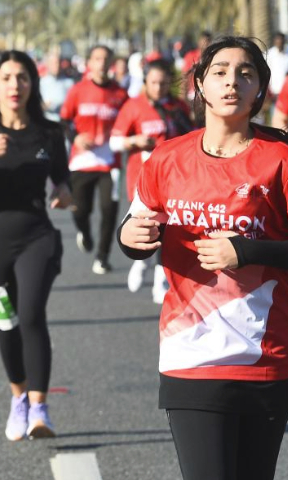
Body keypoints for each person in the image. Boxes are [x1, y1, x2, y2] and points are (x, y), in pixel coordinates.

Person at [118, 36, 288, 480]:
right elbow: (134, 227)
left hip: (266, 355)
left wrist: (247, 250)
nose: (232, 82)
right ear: (199, 84)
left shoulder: (284, 162)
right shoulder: (166, 158)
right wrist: (131, 236)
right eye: (219, 72)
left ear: (261, 89)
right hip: (190, 353)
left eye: (246, 73)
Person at [0, 50, 71, 441]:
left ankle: (40, 409)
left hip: (36, 237)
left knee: (32, 314)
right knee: (7, 323)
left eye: (22, 77)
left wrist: (64, 193)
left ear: (32, 84)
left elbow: (63, 179)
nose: (15, 85)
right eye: (6, 77)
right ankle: (18, 399)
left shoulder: (50, 132)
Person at [109, 59, 193, 303]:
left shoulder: (178, 107)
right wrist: (134, 141)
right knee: (147, 225)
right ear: (145, 81)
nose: (159, 88)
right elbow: (115, 141)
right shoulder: (133, 106)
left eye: (164, 83)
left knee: (167, 229)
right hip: (141, 179)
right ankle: (140, 265)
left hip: (175, 179)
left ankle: (160, 279)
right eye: (154, 83)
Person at [60, 45, 128, 274]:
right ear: (89, 62)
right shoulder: (78, 90)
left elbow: (129, 122)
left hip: (110, 162)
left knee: (110, 209)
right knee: (80, 210)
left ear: (112, 64)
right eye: (97, 58)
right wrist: (76, 137)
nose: (101, 63)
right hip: (81, 160)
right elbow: (63, 122)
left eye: (106, 59)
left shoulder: (120, 94)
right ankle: (85, 232)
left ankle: (102, 256)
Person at [265, 32, 288, 111]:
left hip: (287, 92)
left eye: (281, 40)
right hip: (273, 92)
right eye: (278, 40)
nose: (280, 42)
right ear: (274, 41)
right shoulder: (269, 55)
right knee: (275, 114)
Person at [39, 53, 74, 122]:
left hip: (64, 122)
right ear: (47, 64)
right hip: (47, 122)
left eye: (58, 63)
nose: (56, 66)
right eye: (53, 63)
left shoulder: (69, 83)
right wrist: (44, 106)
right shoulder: (41, 82)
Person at [180, 31, 212, 101]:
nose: (206, 44)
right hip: (192, 96)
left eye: (208, 41)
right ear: (199, 42)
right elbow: (184, 76)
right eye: (203, 41)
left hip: (209, 95)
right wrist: (183, 97)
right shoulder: (190, 56)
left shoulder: (213, 58)